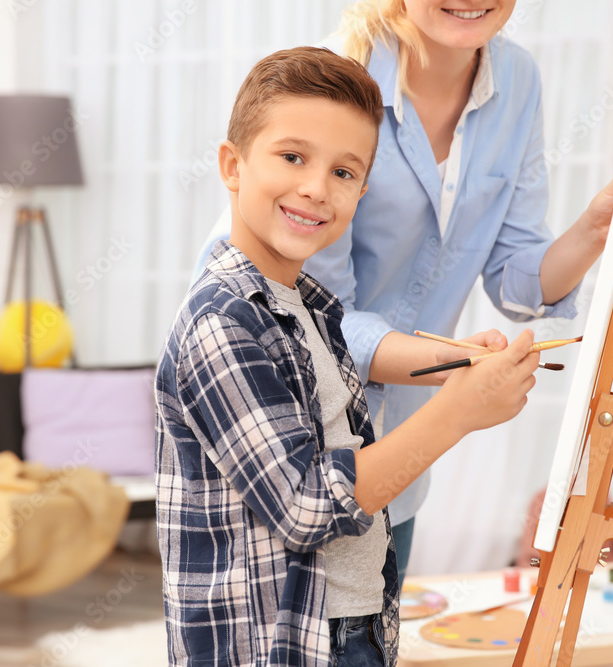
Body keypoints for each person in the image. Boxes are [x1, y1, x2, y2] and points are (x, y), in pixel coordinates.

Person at [191, 0, 613, 585]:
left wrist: (596, 229)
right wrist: (456, 372)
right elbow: (322, 320)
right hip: (296, 424)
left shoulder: (517, 82)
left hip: (402, 447)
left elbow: (517, 279)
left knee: (373, 637)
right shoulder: (339, 82)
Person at [156, 46, 540, 666]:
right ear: (232, 165)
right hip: (278, 646)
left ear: (362, 191)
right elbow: (309, 506)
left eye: (344, 173)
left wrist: (452, 363)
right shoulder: (222, 325)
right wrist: (458, 413)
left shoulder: (314, 309)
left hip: (349, 627)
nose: (315, 188)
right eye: (292, 157)